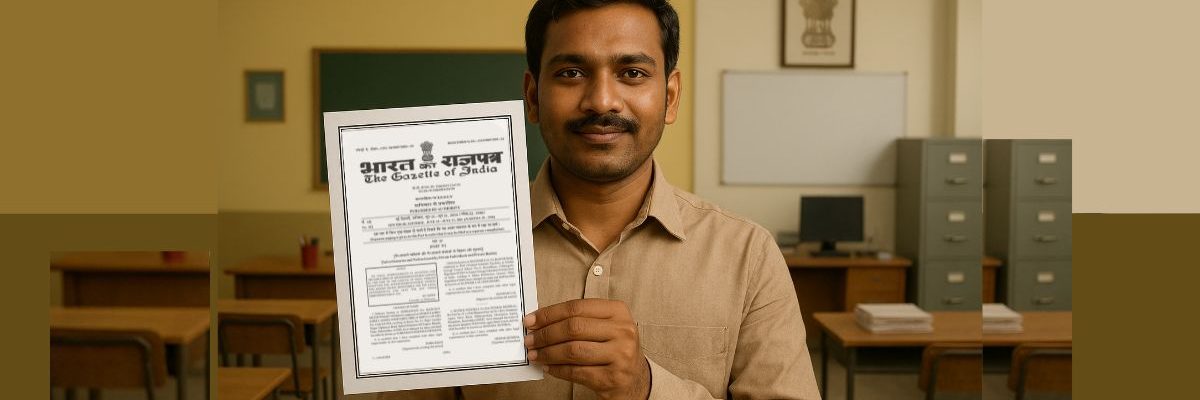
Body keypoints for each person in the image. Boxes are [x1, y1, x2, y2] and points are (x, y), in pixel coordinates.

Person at [385, 0, 820, 399]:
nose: (602, 101)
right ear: (533, 96)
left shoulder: (747, 256)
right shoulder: (442, 244)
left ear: (669, 97)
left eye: (632, 73)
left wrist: (645, 387)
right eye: (572, 73)